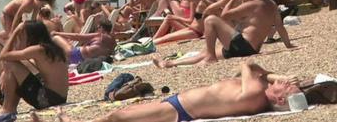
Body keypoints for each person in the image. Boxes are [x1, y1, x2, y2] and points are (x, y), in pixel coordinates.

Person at [42, 62, 300, 122]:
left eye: (284, 87)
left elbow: (245, 65)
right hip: (179, 105)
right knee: (121, 117)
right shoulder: (254, 94)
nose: (282, 82)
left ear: (278, 99)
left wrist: (273, 75)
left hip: (177, 110)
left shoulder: (255, 90)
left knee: (117, 117)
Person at [154, 0, 295, 68]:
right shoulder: (271, 3)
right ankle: (170, 63)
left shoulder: (251, 5)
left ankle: (210, 58)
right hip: (250, 49)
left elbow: (224, 15)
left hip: (243, 45)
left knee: (210, 20)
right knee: (203, 53)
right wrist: (288, 45)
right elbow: (280, 27)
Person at [0, 21, 68, 120]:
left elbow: (3, 56)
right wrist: (4, 73)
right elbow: (19, 60)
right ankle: (9, 107)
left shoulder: (38, 49)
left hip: (47, 100)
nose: (21, 38)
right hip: (58, 98)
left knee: (9, 63)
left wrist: (14, 33)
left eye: (22, 35)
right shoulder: (50, 48)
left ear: (31, 36)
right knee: (11, 64)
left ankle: (8, 108)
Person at [52, 19, 116, 65]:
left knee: (56, 37)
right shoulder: (113, 40)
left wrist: (56, 32)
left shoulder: (99, 35)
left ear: (101, 28)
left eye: (97, 28)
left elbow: (77, 37)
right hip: (82, 58)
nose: (97, 30)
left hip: (75, 55)